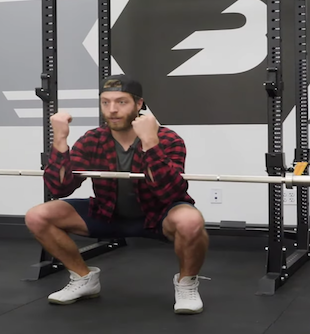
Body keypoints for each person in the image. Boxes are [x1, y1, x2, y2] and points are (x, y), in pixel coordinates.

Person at [24, 74, 209, 315]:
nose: (112, 110)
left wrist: (150, 142)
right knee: (37, 216)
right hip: (107, 213)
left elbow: (169, 192)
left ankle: (186, 284)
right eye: (105, 102)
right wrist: (59, 139)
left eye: (121, 102)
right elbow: (59, 188)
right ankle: (84, 279)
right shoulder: (93, 139)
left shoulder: (167, 138)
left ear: (139, 104)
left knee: (191, 220)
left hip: (158, 215)